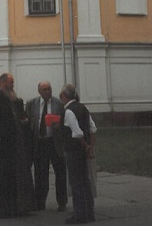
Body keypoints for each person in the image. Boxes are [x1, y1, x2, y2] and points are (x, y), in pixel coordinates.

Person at [0, 72, 34, 218]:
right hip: (1, 148)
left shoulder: (16, 100)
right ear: (3, 83)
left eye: (13, 83)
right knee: (2, 180)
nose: (13, 86)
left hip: (16, 146)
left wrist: (24, 122)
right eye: (10, 83)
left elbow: (22, 116)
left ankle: (20, 207)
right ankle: (2, 209)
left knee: (18, 177)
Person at [26, 81, 67, 212]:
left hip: (54, 142)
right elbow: (28, 123)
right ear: (39, 91)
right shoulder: (32, 104)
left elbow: (65, 122)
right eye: (44, 89)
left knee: (60, 173)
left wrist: (58, 126)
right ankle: (40, 201)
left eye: (49, 89)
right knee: (40, 174)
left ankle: (62, 202)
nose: (47, 92)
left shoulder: (59, 104)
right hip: (40, 143)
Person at [60, 84, 97, 224]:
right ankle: (89, 212)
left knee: (76, 182)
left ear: (64, 96)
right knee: (85, 181)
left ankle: (80, 214)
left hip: (73, 150)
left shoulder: (69, 111)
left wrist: (86, 145)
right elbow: (93, 128)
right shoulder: (83, 108)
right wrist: (90, 147)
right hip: (83, 151)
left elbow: (77, 133)